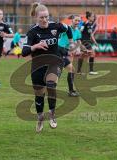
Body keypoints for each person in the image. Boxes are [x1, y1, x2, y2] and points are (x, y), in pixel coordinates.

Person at [22, 2, 73, 133]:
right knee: (39, 95)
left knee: (51, 85)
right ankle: (40, 118)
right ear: (36, 17)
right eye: (42, 17)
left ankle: (52, 114)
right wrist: (35, 46)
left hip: (54, 62)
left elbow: (69, 29)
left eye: (46, 17)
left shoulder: (56, 26)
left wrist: (71, 42)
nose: (45, 20)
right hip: (38, 66)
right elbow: (24, 51)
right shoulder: (32, 32)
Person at [58, 14, 83, 97]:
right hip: (59, 50)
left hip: (67, 52)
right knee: (58, 72)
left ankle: (71, 91)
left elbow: (78, 42)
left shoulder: (78, 31)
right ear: (72, 20)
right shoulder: (66, 28)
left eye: (79, 21)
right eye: (76, 20)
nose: (77, 22)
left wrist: (78, 49)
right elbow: (59, 37)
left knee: (71, 70)